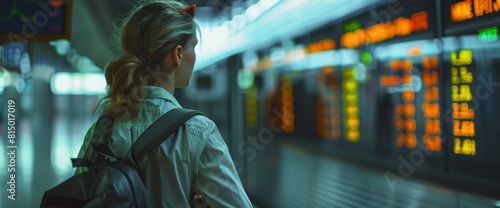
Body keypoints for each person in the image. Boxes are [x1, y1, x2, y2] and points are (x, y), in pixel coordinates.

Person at [75, 1, 253, 207]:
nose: (194, 56)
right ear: (177, 54)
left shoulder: (101, 132)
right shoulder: (197, 131)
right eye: (193, 46)